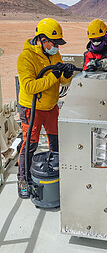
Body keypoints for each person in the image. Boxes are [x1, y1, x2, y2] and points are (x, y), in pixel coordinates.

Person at [17, 18, 74, 199]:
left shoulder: (54, 54)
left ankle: (55, 172)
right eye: (54, 43)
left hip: (51, 107)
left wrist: (66, 74)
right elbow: (29, 87)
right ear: (42, 39)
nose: (57, 47)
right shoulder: (25, 57)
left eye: (58, 43)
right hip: (31, 109)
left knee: (56, 141)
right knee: (30, 144)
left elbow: (62, 81)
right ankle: (23, 181)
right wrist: (53, 75)